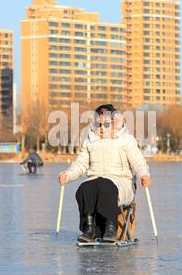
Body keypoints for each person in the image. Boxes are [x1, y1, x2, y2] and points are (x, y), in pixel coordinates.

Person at [58, 104, 151, 243]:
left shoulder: (126, 140)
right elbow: (80, 164)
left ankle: (111, 227)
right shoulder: (90, 140)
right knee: (85, 187)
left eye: (106, 124)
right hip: (96, 180)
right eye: (98, 124)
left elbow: (138, 161)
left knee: (105, 185)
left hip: (121, 182)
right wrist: (67, 175)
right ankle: (89, 229)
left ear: (115, 123)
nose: (101, 127)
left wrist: (144, 175)